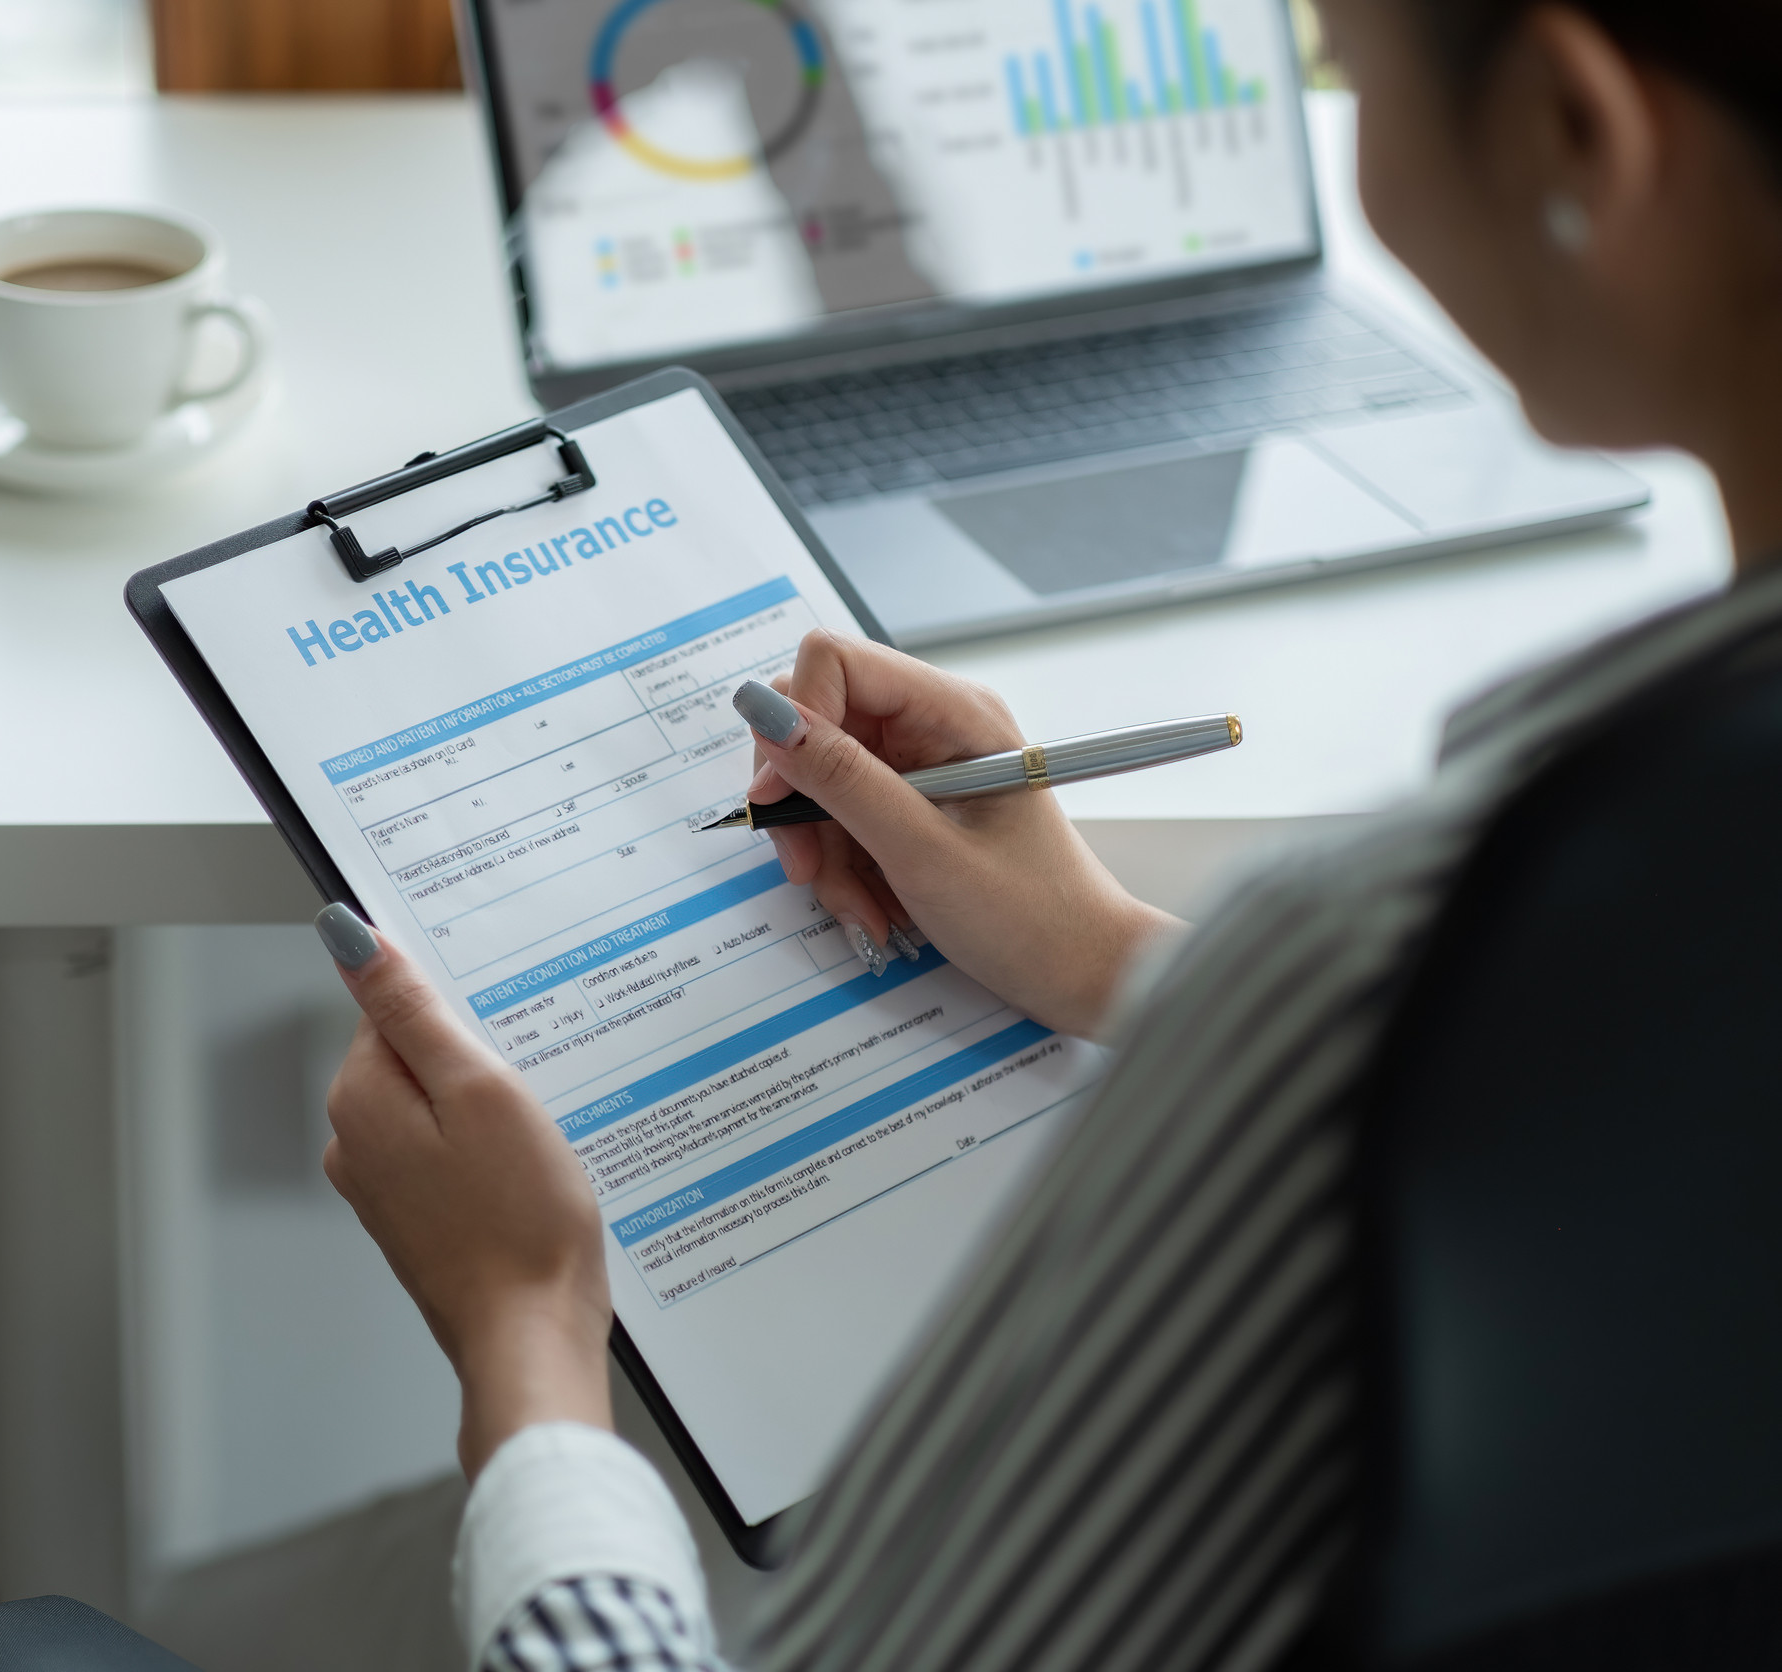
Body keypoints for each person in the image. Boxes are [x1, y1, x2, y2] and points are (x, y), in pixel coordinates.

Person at [308, 2, 1782, 1668]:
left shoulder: (1418, 950)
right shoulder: (1554, 936)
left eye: (1348, 70)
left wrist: (526, 1337)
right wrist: (1106, 955)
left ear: (1577, 130)